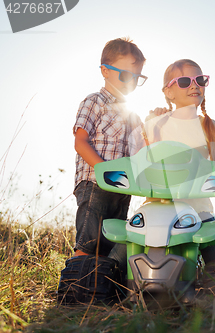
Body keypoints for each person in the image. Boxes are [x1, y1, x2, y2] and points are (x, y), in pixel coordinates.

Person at [143, 59, 215, 263]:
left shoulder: (211, 127)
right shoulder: (155, 123)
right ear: (168, 92)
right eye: (184, 81)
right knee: (123, 254)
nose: (194, 85)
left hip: (199, 210)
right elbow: (147, 162)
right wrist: (153, 123)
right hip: (158, 207)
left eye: (200, 80)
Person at [72, 37, 146, 259]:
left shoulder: (133, 115)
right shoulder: (95, 102)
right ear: (105, 71)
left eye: (137, 77)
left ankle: (103, 290)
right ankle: (73, 290)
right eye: (125, 75)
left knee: (111, 243)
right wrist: (104, 169)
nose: (130, 82)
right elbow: (80, 141)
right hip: (96, 184)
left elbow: (143, 150)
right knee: (89, 242)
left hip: (122, 188)